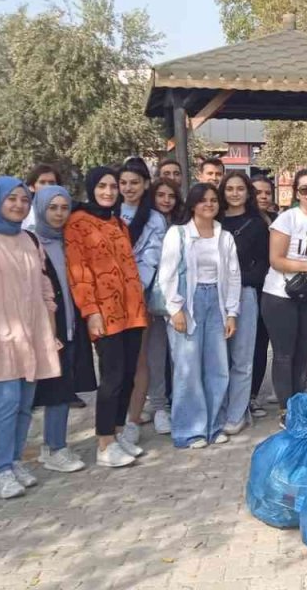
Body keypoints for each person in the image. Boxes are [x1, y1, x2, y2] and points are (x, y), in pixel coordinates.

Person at [0, 177, 62, 499]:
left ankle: (15, 460)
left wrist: (50, 331)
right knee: (5, 403)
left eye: (23, 200)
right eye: (11, 199)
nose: (18, 205)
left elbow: (45, 288)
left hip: (32, 335)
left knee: (24, 405)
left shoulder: (30, 239)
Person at [65, 167, 148, 467]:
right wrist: (90, 311)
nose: (109, 192)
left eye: (113, 187)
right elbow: (79, 272)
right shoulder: (78, 223)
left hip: (132, 311)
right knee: (112, 377)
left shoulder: (117, 222)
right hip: (105, 313)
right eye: (102, 186)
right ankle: (104, 442)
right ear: (91, 188)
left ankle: (118, 432)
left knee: (128, 375)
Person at [159, 183, 241, 447]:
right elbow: (167, 274)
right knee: (188, 369)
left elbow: (233, 276)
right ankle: (189, 431)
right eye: (203, 200)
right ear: (193, 204)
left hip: (216, 301)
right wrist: (175, 309)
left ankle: (214, 426)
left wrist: (231, 313)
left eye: (213, 200)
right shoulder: (178, 234)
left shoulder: (224, 237)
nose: (209, 204)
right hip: (188, 302)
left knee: (218, 367)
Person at [27, 185, 94, 473]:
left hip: (70, 325)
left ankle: (54, 445)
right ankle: (51, 448)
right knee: (44, 391)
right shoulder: (31, 242)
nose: (58, 214)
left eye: (64, 208)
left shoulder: (70, 240)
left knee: (64, 387)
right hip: (43, 327)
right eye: (52, 208)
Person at [262, 169, 307, 421]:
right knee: (284, 354)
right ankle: (285, 409)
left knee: (303, 352)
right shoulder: (287, 219)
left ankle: (298, 403)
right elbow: (276, 259)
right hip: (281, 294)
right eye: (304, 189)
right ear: (296, 193)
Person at [117, 158, 167, 451]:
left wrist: (132, 287)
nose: (128, 188)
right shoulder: (109, 212)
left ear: (146, 184)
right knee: (115, 363)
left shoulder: (154, 219)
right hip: (109, 299)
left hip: (139, 295)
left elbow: (151, 257)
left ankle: (133, 421)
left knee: (140, 359)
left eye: (134, 182)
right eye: (123, 183)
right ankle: (114, 421)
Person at [219, 172, 269, 434]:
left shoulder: (257, 224)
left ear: (248, 192)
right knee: (218, 358)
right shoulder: (213, 220)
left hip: (245, 294)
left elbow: (263, 264)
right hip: (214, 295)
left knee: (242, 356)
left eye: (240, 189)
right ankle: (219, 409)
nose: (235, 193)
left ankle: (238, 412)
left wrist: (239, 280)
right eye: (230, 188)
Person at [145, 179, 182, 433]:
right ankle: (159, 406)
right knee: (156, 355)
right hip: (152, 298)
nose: (166, 200)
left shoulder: (183, 225)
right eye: (161, 195)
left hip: (179, 299)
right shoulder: (145, 222)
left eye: (171, 195)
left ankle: (179, 403)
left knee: (179, 356)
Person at [248, 175, 277, 416]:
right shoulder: (244, 220)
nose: (263, 197)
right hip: (250, 288)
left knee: (261, 344)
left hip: (273, 290)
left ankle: (253, 395)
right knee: (248, 345)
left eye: (267, 192)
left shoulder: (277, 219)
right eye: (258, 192)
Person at [20, 163, 59, 232]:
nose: (47, 186)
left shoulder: (65, 212)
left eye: (52, 183)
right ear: (31, 187)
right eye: (42, 182)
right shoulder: (23, 213)